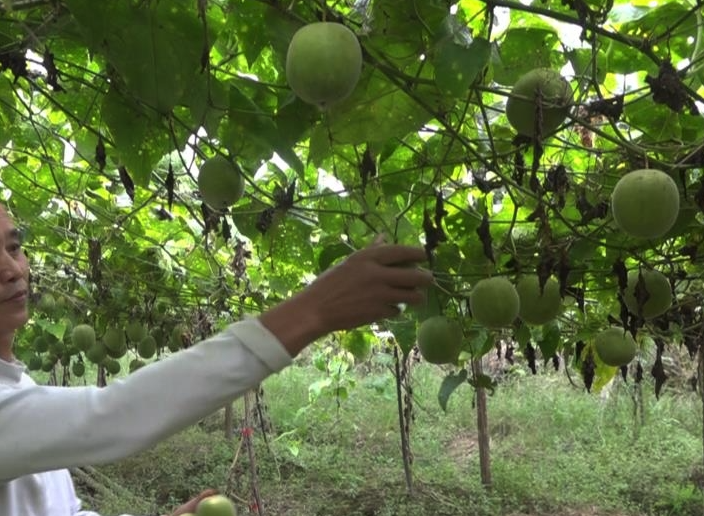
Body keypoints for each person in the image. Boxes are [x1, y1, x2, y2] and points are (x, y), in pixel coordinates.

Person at [0, 203, 434, 516]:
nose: (11, 269)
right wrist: (312, 310)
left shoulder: (20, 388)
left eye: (14, 247)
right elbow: (111, 414)